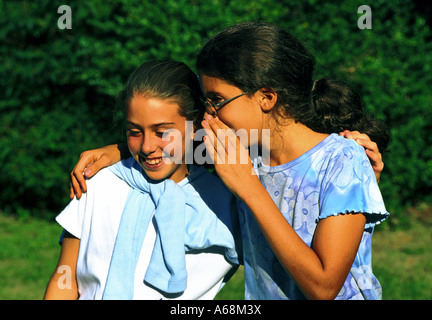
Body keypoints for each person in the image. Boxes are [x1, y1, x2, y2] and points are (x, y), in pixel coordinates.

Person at [68, 22, 390, 300]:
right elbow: (168, 145)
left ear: (266, 97)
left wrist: (249, 187)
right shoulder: (242, 151)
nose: (208, 114)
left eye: (217, 101)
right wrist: (120, 150)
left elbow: (323, 287)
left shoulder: (343, 159)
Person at [44, 60, 240, 300]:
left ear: (194, 126)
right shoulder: (98, 182)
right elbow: (65, 279)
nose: (147, 147)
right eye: (134, 132)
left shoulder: (225, 204)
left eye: (162, 132)